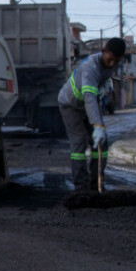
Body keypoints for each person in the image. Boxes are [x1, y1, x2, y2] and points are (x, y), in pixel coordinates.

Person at [57, 38, 126, 192]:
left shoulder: (114, 63)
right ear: (103, 52)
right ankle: (81, 188)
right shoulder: (89, 67)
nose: (112, 64)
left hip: (87, 102)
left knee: (102, 143)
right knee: (79, 141)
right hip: (70, 104)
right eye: (110, 59)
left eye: (116, 61)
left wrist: (100, 88)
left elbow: (94, 93)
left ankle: (96, 185)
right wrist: (97, 125)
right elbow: (89, 98)